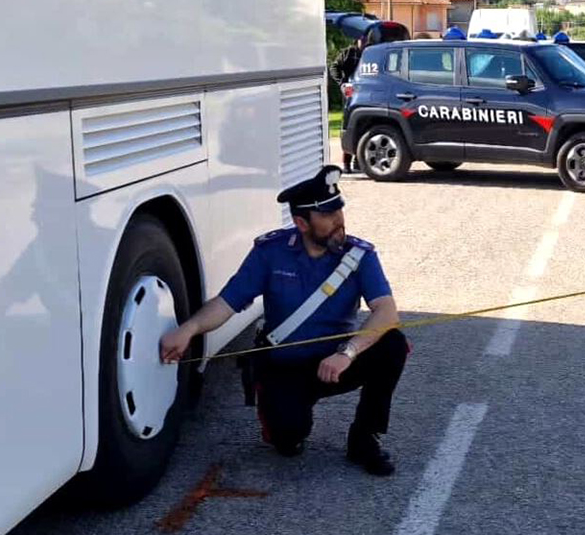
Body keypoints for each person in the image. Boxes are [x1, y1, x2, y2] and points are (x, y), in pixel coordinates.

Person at [160, 165, 409, 475]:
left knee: (393, 343)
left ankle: (364, 437)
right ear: (301, 223)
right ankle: (282, 412)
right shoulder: (271, 252)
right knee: (287, 440)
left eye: (339, 211)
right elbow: (228, 302)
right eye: (328, 216)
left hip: (335, 362)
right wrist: (189, 328)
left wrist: (347, 352)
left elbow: (386, 311)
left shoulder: (359, 255)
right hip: (286, 365)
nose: (339, 221)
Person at [329, 37, 366, 173]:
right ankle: (346, 163)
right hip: (351, 94)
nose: (365, 42)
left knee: (364, 125)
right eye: (362, 39)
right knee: (350, 125)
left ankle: (359, 161)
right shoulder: (350, 52)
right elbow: (334, 67)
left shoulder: (370, 53)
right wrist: (342, 83)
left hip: (366, 93)